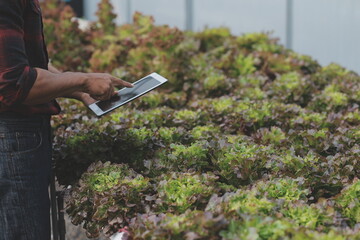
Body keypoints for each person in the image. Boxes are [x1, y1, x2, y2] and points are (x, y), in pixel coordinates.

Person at [0, 0, 133, 239]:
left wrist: (78, 90)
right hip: (11, 139)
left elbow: (25, 64)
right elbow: (14, 84)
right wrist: (83, 80)